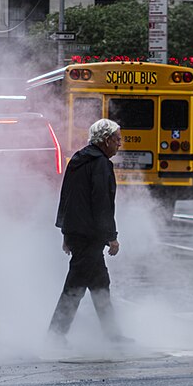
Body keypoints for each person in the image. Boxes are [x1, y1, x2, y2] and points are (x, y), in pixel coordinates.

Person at [48, 118, 126, 342]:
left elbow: (66, 197)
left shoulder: (78, 159)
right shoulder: (101, 164)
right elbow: (102, 203)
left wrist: (65, 232)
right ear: (106, 140)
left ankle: (112, 335)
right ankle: (55, 334)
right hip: (90, 236)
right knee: (74, 287)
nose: (120, 144)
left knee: (100, 284)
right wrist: (111, 237)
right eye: (117, 139)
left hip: (78, 233)